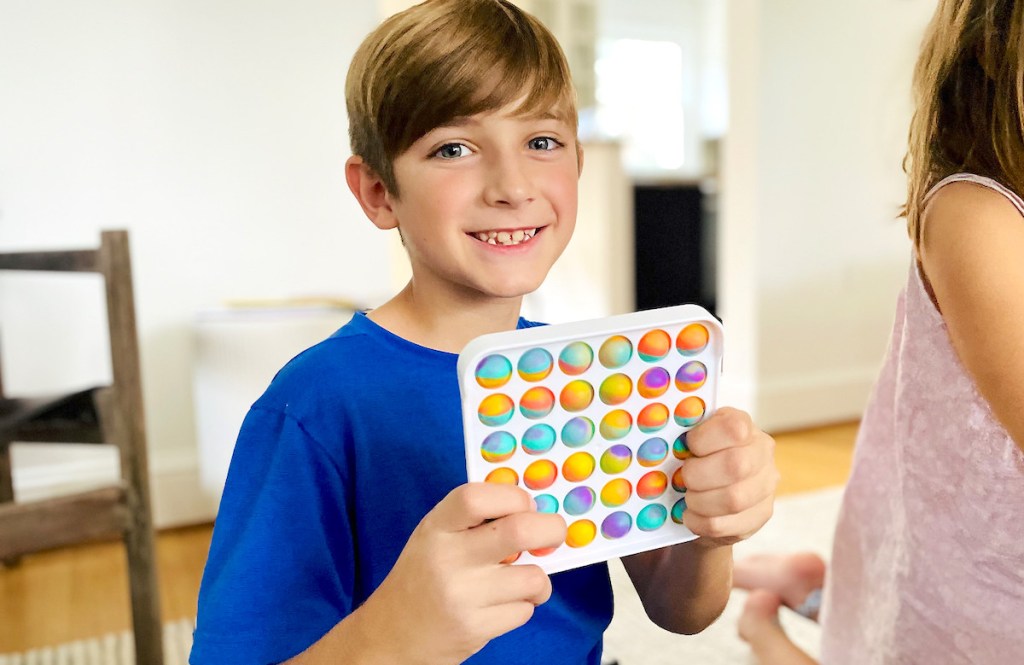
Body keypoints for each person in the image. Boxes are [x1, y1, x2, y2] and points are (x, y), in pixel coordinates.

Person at [188, 1, 779, 663]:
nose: (511, 184)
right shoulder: (316, 404)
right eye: (454, 148)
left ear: (578, 163)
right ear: (379, 192)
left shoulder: (583, 377)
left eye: (542, 142)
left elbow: (681, 610)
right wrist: (396, 630)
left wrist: (708, 530)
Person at [733, 1, 1024, 663]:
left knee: (864, 607)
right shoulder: (975, 213)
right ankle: (762, 626)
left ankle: (812, 583)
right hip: (976, 581)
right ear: (994, 53)